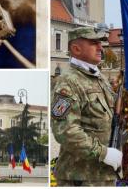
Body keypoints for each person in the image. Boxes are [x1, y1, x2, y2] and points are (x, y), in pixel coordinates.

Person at [51, 26, 122, 186]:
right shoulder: (68, 82)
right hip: (79, 177)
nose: (100, 47)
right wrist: (104, 153)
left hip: (103, 175)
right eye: (93, 43)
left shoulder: (100, 79)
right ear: (76, 49)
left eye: (100, 43)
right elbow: (65, 131)